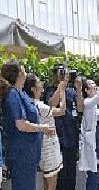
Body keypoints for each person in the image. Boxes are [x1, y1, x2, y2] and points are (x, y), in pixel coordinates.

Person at [0, 60, 55, 190]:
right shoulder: (13, 94)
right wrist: (42, 128)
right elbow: (20, 124)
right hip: (21, 156)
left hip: (28, 155)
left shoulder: (20, 93)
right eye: (23, 69)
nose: (26, 72)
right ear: (19, 73)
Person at [45, 64, 84, 190]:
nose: (63, 74)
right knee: (61, 178)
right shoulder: (50, 90)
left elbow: (80, 108)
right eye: (61, 72)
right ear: (55, 74)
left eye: (65, 72)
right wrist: (62, 85)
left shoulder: (71, 91)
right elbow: (52, 103)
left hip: (72, 138)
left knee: (71, 176)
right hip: (59, 139)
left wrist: (78, 90)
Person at [25, 73, 65, 189]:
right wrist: (62, 89)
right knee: (51, 185)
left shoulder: (30, 104)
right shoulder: (40, 107)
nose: (41, 84)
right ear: (33, 88)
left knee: (46, 184)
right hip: (49, 150)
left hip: (42, 149)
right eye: (38, 82)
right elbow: (62, 110)